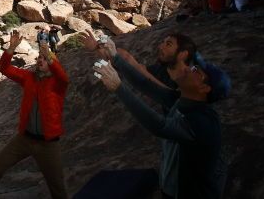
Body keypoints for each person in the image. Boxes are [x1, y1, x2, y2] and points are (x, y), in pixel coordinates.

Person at [95, 37, 230, 199]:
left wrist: (118, 87)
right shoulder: (182, 99)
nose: (187, 69)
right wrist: (115, 57)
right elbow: (146, 85)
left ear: (204, 88)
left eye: (196, 71)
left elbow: (160, 126)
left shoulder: (202, 121)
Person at [0, 30, 69, 199]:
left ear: (51, 63)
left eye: (43, 59)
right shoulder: (29, 77)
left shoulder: (58, 83)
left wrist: (46, 51)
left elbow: (62, 75)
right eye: (38, 58)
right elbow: (4, 68)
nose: (39, 60)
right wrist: (11, 48)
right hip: (24, 139)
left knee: (56, 184)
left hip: (48, 144)